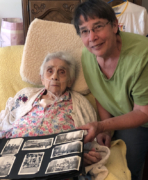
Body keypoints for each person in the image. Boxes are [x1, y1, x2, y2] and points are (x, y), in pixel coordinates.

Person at [0, 51, 105, 179]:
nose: (55, 76)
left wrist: (85, 157)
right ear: (42, 78)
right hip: (11, 164)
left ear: (70, 80)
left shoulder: (80, 105)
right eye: (50, 71)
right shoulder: (24, 96)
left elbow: (88, 143)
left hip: (53, 170)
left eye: (62, 72)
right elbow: (2, 141)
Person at [73, 0, 148, 179]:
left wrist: (101, 126)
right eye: (85, 31)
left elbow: (143, 112)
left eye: (98, 27)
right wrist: (105, 130)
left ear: (115, 25)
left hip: (141, 120)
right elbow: (101, 93)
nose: (92, 37)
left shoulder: (142, 55)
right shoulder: (88, 54)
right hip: (117, 115)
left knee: (126, 165)